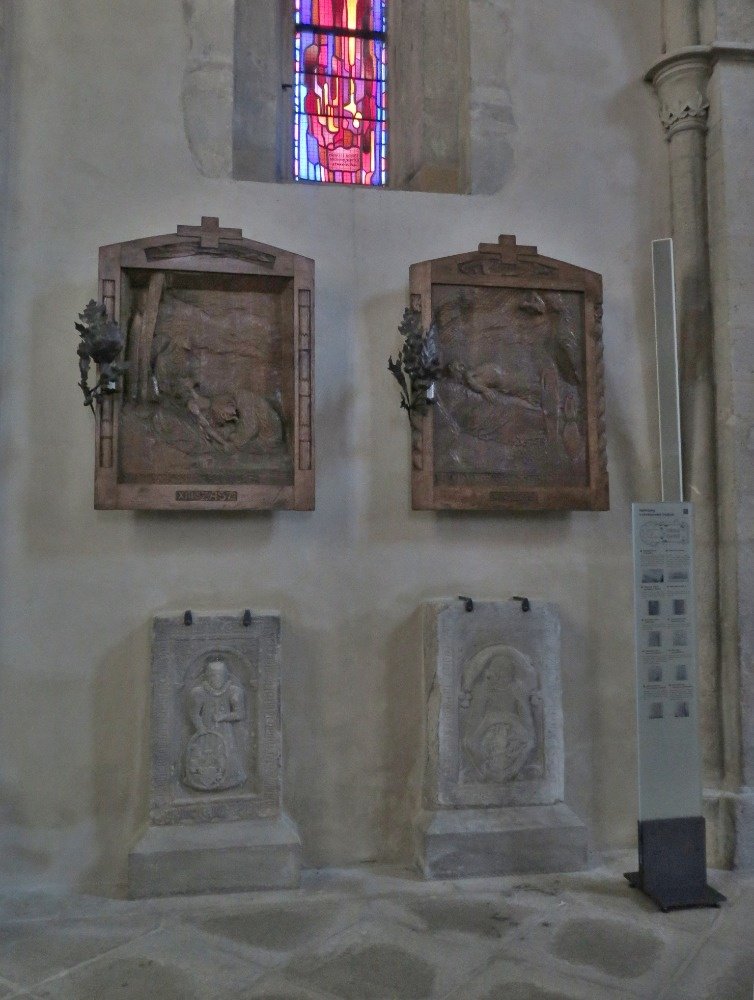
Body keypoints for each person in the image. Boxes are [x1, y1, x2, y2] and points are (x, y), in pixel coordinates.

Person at [183, 659, 247, 791]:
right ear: (207, 676)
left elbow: (240, 714)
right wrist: (200, 728)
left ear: (225, 676)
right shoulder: (199, 692)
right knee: (205, 757)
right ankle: (202, 781)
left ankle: (230, 780)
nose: (216, 678)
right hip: (206, 732)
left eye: (219, 675)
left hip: (225, 732)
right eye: (212, 675)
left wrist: (224, 716)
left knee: (227, 753)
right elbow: (194, 713)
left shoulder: (233, 691)